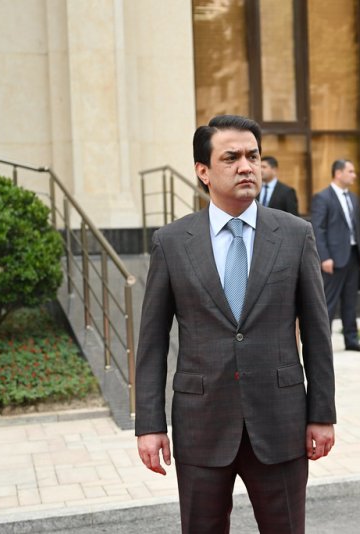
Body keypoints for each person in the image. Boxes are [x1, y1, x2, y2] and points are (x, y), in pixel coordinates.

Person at [135, 115, 336, 534]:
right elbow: (152, 342)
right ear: (203, 171)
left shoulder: (295, 235)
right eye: (231, 158)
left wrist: (322, 414)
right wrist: (150, 425)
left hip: (280, 422)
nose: (246, 167)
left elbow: (318, 333)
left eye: (253, 156)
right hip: (201, 423)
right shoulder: (171, 243)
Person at [310, 159, 360, 352]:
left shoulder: (353, 198)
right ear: (338, 173)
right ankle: (322, 343)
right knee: (328, 302)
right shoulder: (322, 198)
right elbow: (318, 229)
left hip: (353, 256)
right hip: (333, 259)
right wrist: (324, 257)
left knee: (350, 301)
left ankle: (351, 340)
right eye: (350, 171)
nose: (354, 175)